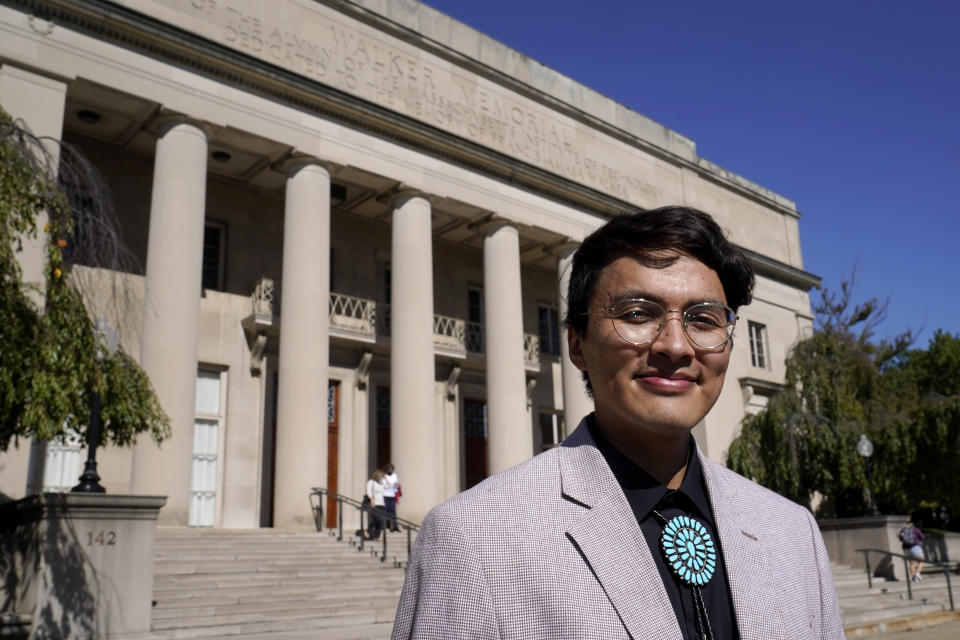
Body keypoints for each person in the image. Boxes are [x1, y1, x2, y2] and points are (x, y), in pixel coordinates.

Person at [392, 206, 843, 639]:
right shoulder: (473, 537)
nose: (675, 346)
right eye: (637, 314)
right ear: (576, 345)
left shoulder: (793, 532)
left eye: (703, 320)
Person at [365, 469, 387, 541]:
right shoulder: (371, 482)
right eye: (381, 476)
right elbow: (369, 491)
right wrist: (371, 500)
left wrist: (386, 479)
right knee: (377, 519)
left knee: (380, 521)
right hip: (375, 503)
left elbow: (389, 487)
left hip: (382, 503)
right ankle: (368, 531)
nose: (382, 478)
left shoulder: (381, 483)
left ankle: (376, 536)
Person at [383, 463, 400, 532]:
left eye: (391, 469)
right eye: (389, 469)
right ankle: (384, 526)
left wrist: (393, 487)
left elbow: (395, 485)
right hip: (385, 496)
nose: (390, 470)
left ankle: (395, 526)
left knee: (393, 512)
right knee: (384, 511)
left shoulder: (394, 475)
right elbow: (384, 486)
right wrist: (391, 486)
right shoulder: (384, 476)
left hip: (392, 496)